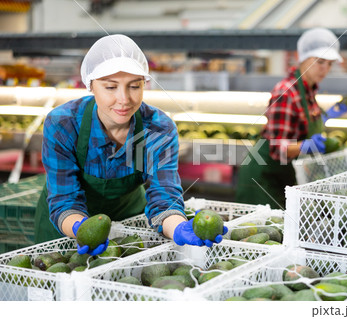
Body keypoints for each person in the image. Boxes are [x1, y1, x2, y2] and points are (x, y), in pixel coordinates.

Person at [34, 34, 226, 254]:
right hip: (65, 228)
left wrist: (179, 227)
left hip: (128, 222)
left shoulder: (159, 128)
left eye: (134, 86)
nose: (124, 99)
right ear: (91, 85)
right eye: (110, 87)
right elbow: (64, 200)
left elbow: (165, 199)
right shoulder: (63, 124)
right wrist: (81, 228)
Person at [235, 28, 347, 209]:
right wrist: (306, 146)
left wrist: (327, 115)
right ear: (302, 58)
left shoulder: (308, 89)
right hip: (262, 178)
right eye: (320, 61)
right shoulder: (286, 91)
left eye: (330, 64)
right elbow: (277, 148)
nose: (325, 69)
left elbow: (302, 123)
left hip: (282, 177)